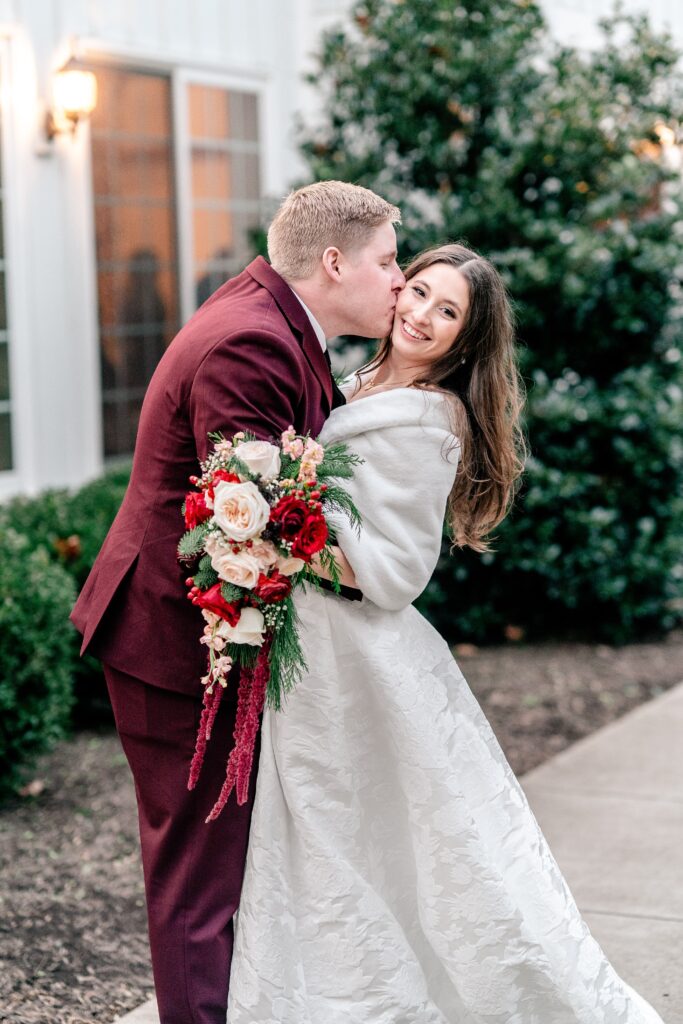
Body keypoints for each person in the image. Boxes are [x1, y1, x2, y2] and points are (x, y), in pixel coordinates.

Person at [227, 244, 665, 1023]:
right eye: (418, 291)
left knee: (373, 838)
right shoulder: (353, 381)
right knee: (336, 834)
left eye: (447, 312)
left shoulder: (431, 420)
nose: (420, 316)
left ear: (466, 339)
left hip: (357, 649)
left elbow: (395, 571)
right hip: (319, 649)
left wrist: (277, 541)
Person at [69, 180, 405, 1024]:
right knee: (198, 884)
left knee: (223, 871)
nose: (399, 280)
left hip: (197, 630)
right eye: (388, 260)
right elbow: (249, 524)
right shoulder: (250, 344)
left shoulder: (272, 317)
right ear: (333, 262)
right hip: (179, 639)